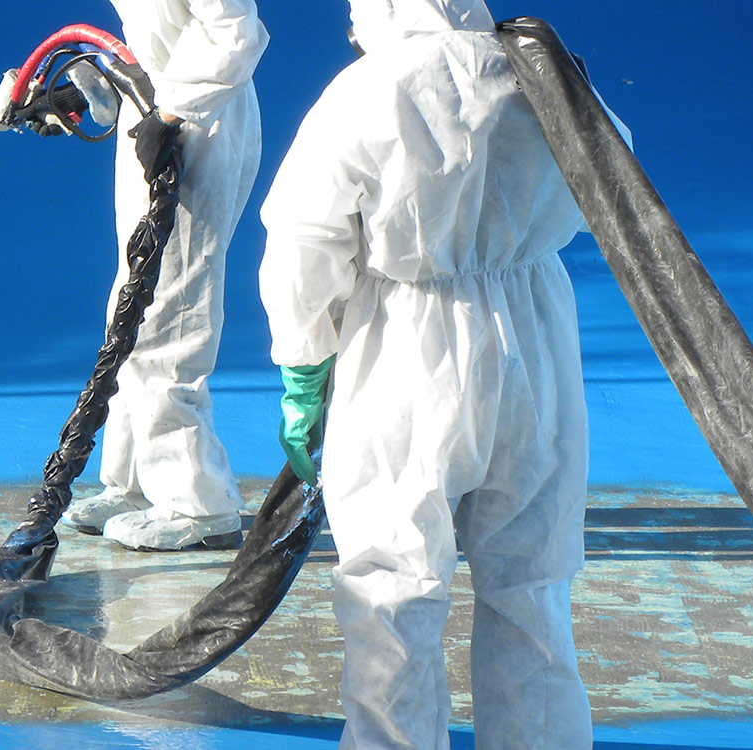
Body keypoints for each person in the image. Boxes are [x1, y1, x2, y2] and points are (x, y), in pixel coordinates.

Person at [259, 0, 626, 746]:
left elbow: (304, 241)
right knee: (531, 580)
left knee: (392, 585)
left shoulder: (369, 89)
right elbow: (611, 166)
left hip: (407, 346)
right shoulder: (541, 72)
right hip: (535, 338)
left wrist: (303, 366)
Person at [59, 0, 270, 552]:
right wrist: (91, 92)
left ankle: (198, 502)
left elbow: (235, 33)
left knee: (171, 314)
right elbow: (158, 40)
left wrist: (172, 113)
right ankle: (135, 484)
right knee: (132, 305)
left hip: (200, 125)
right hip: (158, 115)